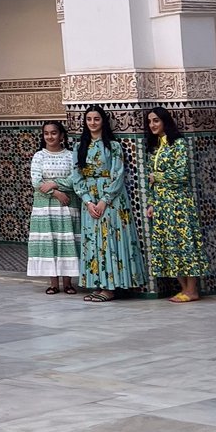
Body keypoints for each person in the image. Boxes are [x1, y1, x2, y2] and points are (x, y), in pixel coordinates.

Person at [62, 106, 145, 302]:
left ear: (103, 121)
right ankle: (99, 284)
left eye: (96, 119)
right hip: (89, 200)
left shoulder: (113, 146)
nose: (92, 123)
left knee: (110, 240)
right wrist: (88, 201)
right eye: (89, 119)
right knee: (93, 241)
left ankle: (111, 287)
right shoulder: (79, 147)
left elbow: (118, 174)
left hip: (112, 200)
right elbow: (76, 176)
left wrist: (104, 200)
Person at [144, 107, 207, 303]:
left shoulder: (178, 144)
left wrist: (158, 176)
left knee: (184, 244)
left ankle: (192, 290)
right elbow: (150, 181)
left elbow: (181, 174)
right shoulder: (155, 148)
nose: (153, 125)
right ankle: (184, 288)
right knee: (169, 246)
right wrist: (152, 203)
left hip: (178, 202)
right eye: (150, 121)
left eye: (156, 120)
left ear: (165, 121)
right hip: (162, 204)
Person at [27, 118, 79, 294]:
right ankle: (53, 284)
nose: (50, 136)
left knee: (66, 240)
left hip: (67, 206)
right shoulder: (39, 156)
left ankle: (68, 283)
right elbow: (36, 182)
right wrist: (56, 192)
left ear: (62, 135)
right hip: (45, 206)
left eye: (54, 133)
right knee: (50, 240)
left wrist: (54, 184)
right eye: (46, 133)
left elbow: (74, 180)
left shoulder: (71, 156)